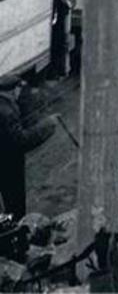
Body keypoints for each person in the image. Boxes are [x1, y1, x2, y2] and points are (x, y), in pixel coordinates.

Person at [0, 76, 55, 220]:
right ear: (14, 89)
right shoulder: (7, 111)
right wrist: (47, 126)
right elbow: (21, 141)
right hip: (8, 165)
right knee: (15, 204)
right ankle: (16, 233)